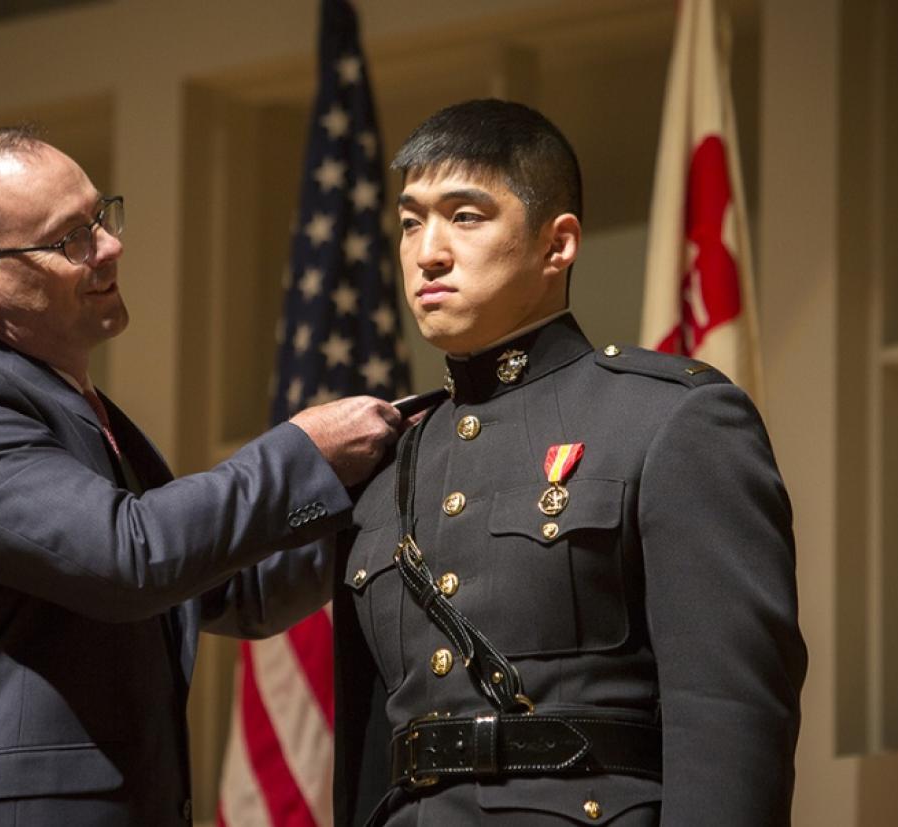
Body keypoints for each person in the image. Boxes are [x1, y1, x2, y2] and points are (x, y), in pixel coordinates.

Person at [0, 126, 402, 826]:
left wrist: (380, 500)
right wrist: (304, 450)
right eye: (69, 239)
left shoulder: (69, 404)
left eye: (99, 217)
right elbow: (131, 558)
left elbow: (233, 590)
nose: (110, 246)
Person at [333, 99, 807, 825]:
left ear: (558, 245)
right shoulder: (387, 463)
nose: (427, 251)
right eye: (409, 221)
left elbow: (730, 717)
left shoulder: (669, 421)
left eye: (465, 216)